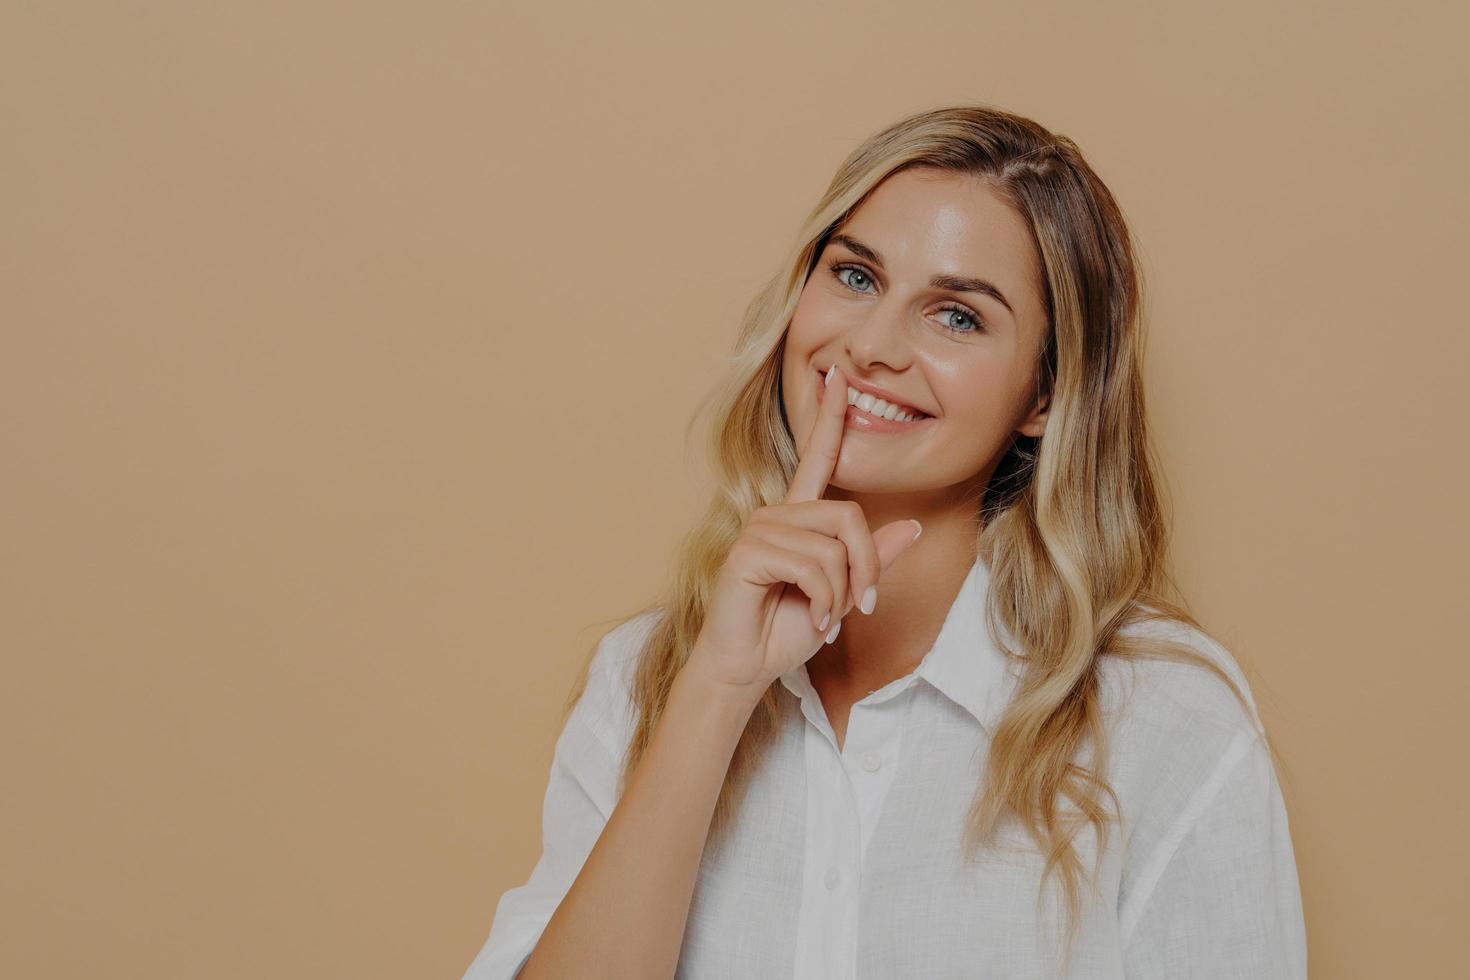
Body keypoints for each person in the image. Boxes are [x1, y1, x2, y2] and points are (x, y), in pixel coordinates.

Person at [462, 104, 1308, 979]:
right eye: (857, 278)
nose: (870, 347)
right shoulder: (647, 679)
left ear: (1044, 397)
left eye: (957, 317)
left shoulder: (1161, 717)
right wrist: (715, 693)